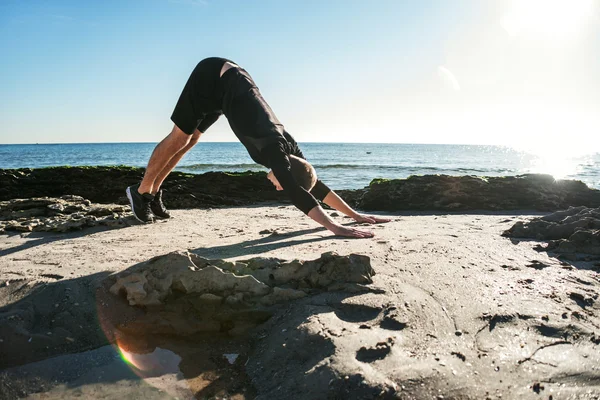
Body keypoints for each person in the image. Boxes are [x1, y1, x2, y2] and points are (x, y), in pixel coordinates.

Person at [126, 57, 389, 238]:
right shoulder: (275, 153)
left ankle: (155, 191)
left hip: (231, 86)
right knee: (180, 137)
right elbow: (299, 193)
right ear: (285, 174)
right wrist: (334, 227)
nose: (276, 187)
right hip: (213, 76)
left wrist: (354, 215)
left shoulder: (290, 149)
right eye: (280, 184)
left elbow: (314, 184)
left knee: (192, 139)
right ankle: (140, 193)